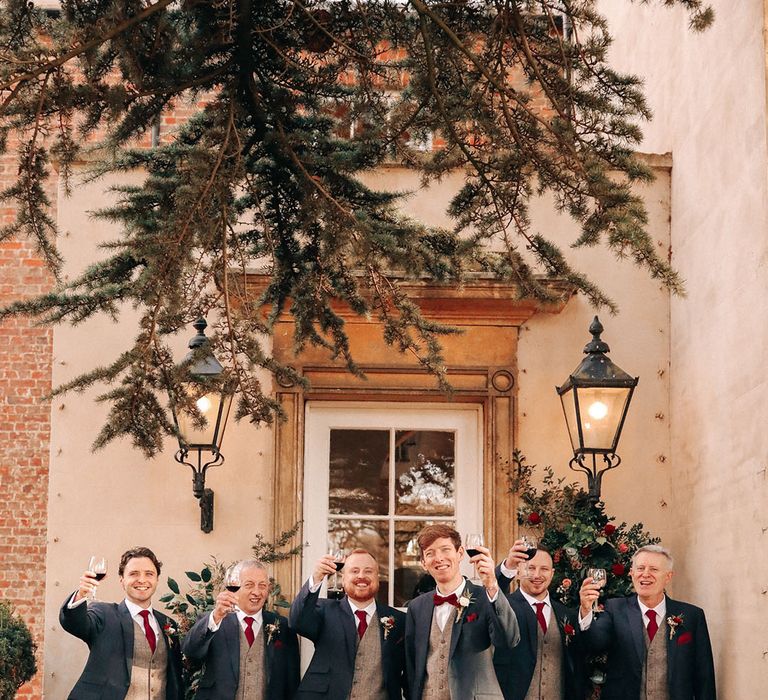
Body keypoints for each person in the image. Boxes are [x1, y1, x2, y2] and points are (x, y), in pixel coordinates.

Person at [578, 544, 716, 700]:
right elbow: (595, 644)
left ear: (668, 577)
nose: (645, 574)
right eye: (640, 568)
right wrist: (585, 610)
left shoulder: (692, 616)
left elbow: (704, 676)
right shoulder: (615, 609)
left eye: (654, 569)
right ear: (631, 573)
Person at [405, 523, 520, 700]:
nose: (439, 558)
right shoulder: (416, 607)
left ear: (460, 553)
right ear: (423, 563)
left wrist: (491, 584)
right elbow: (412, 665)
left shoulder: (485, 596)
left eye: (445, 550)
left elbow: (509, 639)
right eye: (430, 553)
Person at [59, 546, 184, 700]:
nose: (142, 580)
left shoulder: (168, 623)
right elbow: (74, 623)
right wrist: (81, 594)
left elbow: (175, 677)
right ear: (122, 580)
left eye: (149, 574)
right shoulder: (104, 614)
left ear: (157, 579)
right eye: (134, 574)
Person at [289, 548, 407, 699]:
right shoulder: (324, 611)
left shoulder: (400, 621)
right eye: (354, 571)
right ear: (343, 579)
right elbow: (296, 621)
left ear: (378, 578)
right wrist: (317, 577)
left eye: (368, 571)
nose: (361, 576)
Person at [182, 559, 299, 699]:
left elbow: (292, 680)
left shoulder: (282, 625)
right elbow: (190, 651)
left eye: (262, 586)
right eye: (249, 585)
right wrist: (215, 616)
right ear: (235, 588)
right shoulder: (215, 621)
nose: (256, 592)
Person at [493, 541, 586, 700]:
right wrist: (507, 566)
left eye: (544, 569)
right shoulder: (504, 606)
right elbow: (491, 595)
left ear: (552, 573)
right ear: (519, 571)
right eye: (531, 568)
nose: (537, 575)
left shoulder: (566, 614)